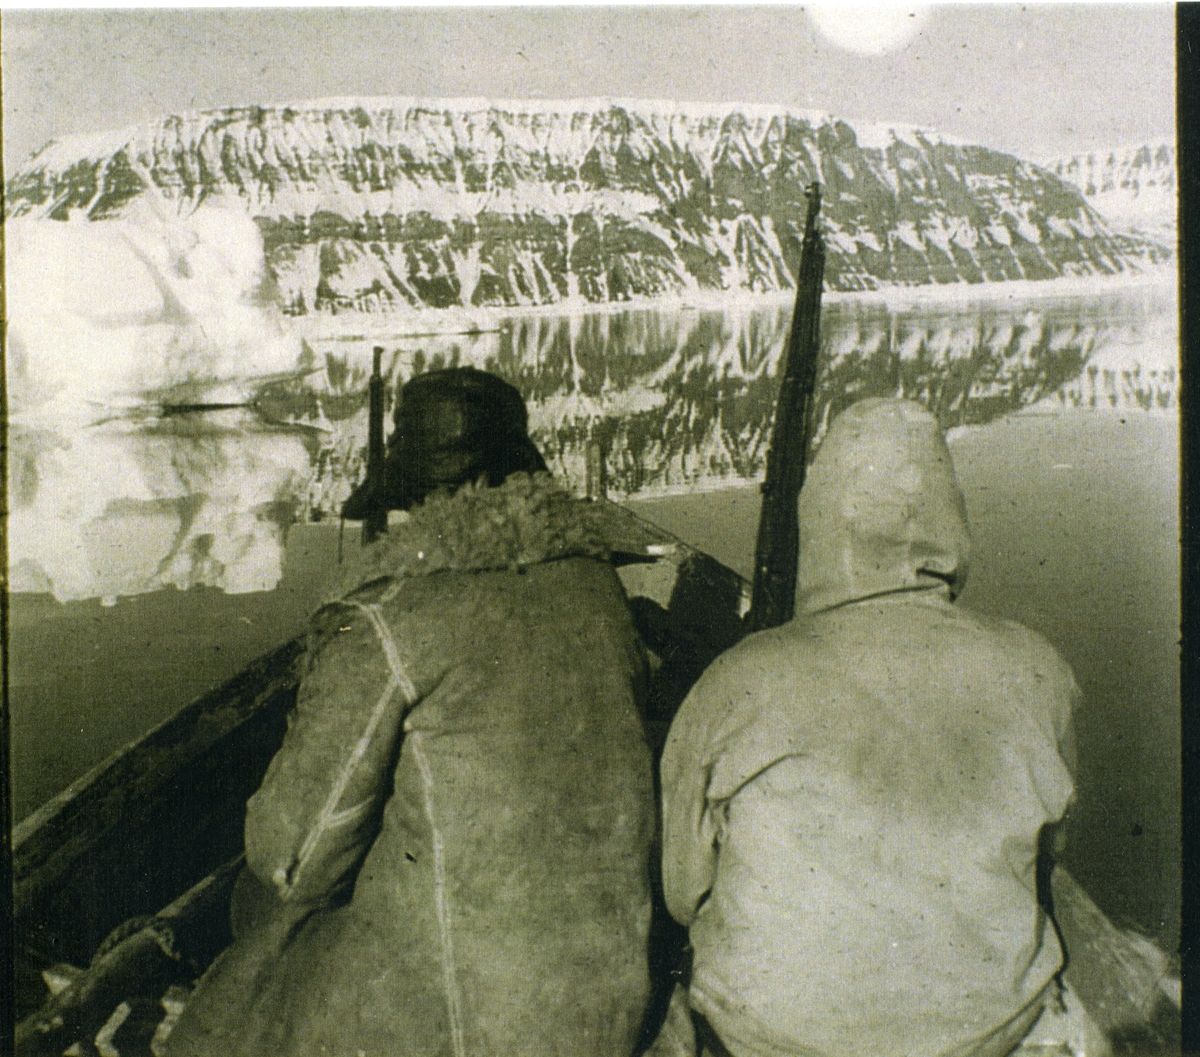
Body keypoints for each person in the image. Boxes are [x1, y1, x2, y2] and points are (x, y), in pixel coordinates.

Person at [166, 366, 657, 1057]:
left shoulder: (390, 615)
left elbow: (291, 857)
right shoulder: (595, 581)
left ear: (416, 493)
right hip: (608, 1001)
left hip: (470, 1028)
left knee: (260, 903)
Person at [659, 398, 1085, 1057]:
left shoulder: (736, 678)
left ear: (818, 523)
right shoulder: (1037, 664)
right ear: (952, 522)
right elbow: (1048, 853)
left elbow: (683, 892)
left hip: (771, 1037)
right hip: (986, 1033)